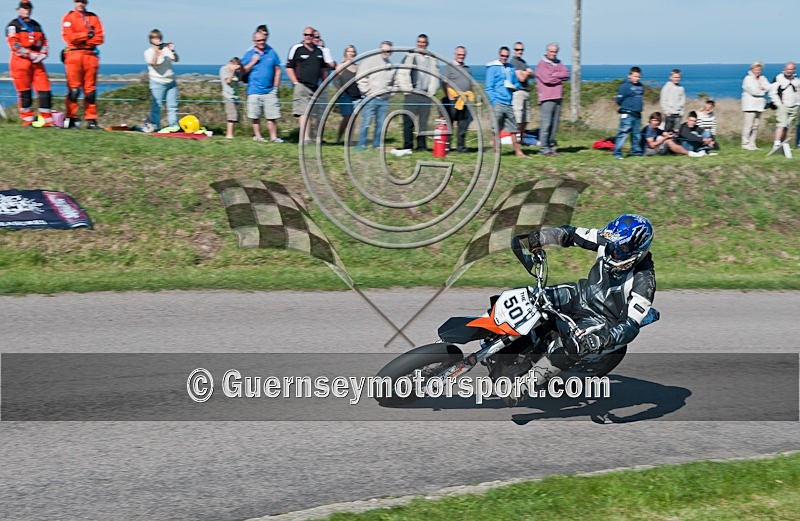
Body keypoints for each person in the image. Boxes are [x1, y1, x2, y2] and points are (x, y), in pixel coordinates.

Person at [525, 214, 656, 386]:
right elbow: (571, 234)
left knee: (569, 346)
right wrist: (543, 236)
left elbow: (630, 326)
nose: (613, 250)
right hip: (579, 294)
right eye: (612, 244)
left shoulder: (644, 281)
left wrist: (601, 339)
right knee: (530, 296)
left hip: (600, 320)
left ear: (638, 251)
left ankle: (525, 385)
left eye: (621, 248)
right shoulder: (607, 240)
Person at [6, 1, 54, 127]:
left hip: (37, 62)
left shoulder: (36, 25)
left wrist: (44, 53)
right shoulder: (13, 25)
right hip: (20, 62)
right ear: (19, 9)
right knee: (25, 92)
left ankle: (47, 120)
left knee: (45, 89)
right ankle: (28, 120)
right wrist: (28, 54)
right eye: (24, 8)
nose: (26, 10)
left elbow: (44, 41)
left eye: (28, 8)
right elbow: (14, 44)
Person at [61, 0, 104, 129]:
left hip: (90, 56)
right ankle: (71, 118)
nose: (81, 3)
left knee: (90, 91)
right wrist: (87, 35)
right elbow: (70, 38)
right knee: (74, 90)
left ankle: (91, 119)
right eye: (78, 1)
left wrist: (82, 40)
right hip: (74, 55)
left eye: (83, 1)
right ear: (74, 2)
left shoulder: (94, 17)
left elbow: (100, 38)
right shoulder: (68, 17)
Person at [286, 26, 329, 144]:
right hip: (302, 85)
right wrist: (295, 82)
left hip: (315, 86)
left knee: (313, 114)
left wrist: (324, 84)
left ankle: (312, 137)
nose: (308, 37)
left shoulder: (319, 51)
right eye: (306, 35)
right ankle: (304, 138)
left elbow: (324, 70)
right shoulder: (297, 49)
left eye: (311, 35)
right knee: (303, 112)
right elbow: (289, 67)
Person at [397, 33, 440, 152]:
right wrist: (407, 89)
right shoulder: (409, 57)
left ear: (427, 44)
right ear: (417, 43)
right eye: (419, 42)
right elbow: (401, 73)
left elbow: (435, 76)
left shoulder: (432, 59)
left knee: (423, 123)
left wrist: (431, 92)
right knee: (408, 121)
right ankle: (408, 146)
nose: (421, 44)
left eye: (423, 43)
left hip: (426, 94)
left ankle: (421, 147)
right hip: (412, 94)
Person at [241, 30, 283, 143]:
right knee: (255, 116)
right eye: (259, 40)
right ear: (254, 41)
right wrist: (253, 62)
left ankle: (273, 137)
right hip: (254, 90)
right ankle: (258, 136)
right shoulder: (249, 54)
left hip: (270, 90)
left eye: (263, 40)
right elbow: (243, 71)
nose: (261, 42)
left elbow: (278, 69)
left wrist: (275, 87)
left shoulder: (272, 52)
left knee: (272, 116)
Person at [486, 46, 526, 158]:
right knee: (496, 129)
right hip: (498, 102)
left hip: (508, 102)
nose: (504, 58)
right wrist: (494, 101)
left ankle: (518, 152)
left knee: (514, 129)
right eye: (502, 56)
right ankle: (496, 153)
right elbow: (489, 87)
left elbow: (517, 83)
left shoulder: (511, 68)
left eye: (506, 56)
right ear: (499, 55)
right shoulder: (492, 68)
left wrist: (514, 86)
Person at [355, 41, 395, 150]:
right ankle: (361, 145)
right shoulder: (369, 61)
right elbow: (360, 77)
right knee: (366, 122)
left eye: (388, 51)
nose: (386, 52)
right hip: (370, 98)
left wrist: (390, 93)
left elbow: (393, 83)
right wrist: (366, 91)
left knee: (380, 124)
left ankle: (376, 145)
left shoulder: (390, 65)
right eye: (384, 50)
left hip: (383, 100)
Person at [535, 42, 570, 156]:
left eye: (555, 52)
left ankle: (550, 147)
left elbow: (566, 74)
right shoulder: (541, 64)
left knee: (554, 125)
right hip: (547, 98)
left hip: (558, 97)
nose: (553, 54)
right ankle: (544, 148)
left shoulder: (558, 63)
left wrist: (555, 75)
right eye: (551, 51)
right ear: (547, 51)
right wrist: (558, 77)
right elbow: (547, 79)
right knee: (546, 124)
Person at [144, 29, 179, 131]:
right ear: (151, 40)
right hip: (157, 82)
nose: (158, 40)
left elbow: (176, 59)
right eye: (155, 38)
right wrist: (157, 52)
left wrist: (172, 50)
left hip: (171, 82)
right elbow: (154, 64)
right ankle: (155, 127)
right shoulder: (148, 52)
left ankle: (173, 127)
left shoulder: (166, 50)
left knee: (172, 106)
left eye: (159, 38)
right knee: (157, 107)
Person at [442, 45, 474, 152]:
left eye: (463, 55)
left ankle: (460, 147)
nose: (461, 56)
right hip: (452, 100)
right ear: (455, 54)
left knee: (463, 124)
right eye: (459, 54)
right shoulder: (449, 67)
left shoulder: (467, 69)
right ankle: (447, 146)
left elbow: (470, 83)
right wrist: (449, 95)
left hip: (464, 100)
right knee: (449, 123)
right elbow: (444, 81)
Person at [612, 66, 644, 159]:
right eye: (635, 76)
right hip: (627, 113)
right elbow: (619, 100)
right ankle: (617, 153)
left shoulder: (640, 86)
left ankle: (636, 152)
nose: (636, 78)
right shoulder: (624, 86)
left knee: (636, 134)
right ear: (629, 75)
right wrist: (626, 107)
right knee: (623, 133)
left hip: (637, 114)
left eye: (638, 77)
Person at [769, 61, 799, 154]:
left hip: (794, 106)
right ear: (784, 69)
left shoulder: (796, 80)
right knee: (781, 125)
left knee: (787, 126)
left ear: (794, 70)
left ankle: (782, 145)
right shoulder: (778, 78)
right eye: (787, 69)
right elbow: (772, 92)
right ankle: (776, 144)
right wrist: (779, 104)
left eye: (791, 69)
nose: (789, 71)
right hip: (783, 106)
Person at [334, 44, 360, 145]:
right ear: (345, 53)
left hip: (356, 96)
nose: (351, 53)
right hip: (345, 96)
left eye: (353, 51)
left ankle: (349, 140)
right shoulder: (341, 66)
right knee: (346, 118)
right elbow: (335, 81)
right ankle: (339, 138)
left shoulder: (358, 67)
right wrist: (341, 91)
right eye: (349, 51)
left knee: (353, 119)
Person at [740, 61, 770, 150]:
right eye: (756, 69)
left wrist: (763, 89)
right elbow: (753, 91)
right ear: (752, 69)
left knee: (756, 126)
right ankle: (745, 144)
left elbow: (768, 87)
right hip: (749, 106)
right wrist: (762, 90)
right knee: (748, 125)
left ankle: (752, 144)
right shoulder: (747, 78)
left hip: (759, 105)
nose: (758, 71)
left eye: (759, 70)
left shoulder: (763, 78)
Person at [509, 41, 533, 139]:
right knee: (518, 118)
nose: (520, 51)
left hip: (526, 91)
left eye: (521, 49)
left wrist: (525, 73)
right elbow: (521, 78)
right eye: (517, 49)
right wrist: (527, 73)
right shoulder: (513, 62)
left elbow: (533, 74)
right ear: (514, 50)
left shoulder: (523, 62)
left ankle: (521, 138)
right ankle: (516, 139)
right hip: (518, 92)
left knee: (526, 118)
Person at [219, 57, 242, 139]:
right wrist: (232, 71)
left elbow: (239, 80)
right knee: (231, 116)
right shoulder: (224, 69)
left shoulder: (238, 71)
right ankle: (229, 135)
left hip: (235, 96)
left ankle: (232, 133)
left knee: (236, 116)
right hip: (228, 96)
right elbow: (228, 81)